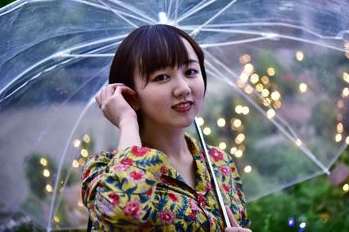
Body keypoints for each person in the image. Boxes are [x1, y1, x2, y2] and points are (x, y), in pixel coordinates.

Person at [81, 24, 251, 231]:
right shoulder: (101, 171)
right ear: (129, 95)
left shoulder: (219, 163)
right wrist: (127, 120)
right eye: (162, 77)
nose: (184, 88)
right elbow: (122, 213)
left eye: (191, 71)